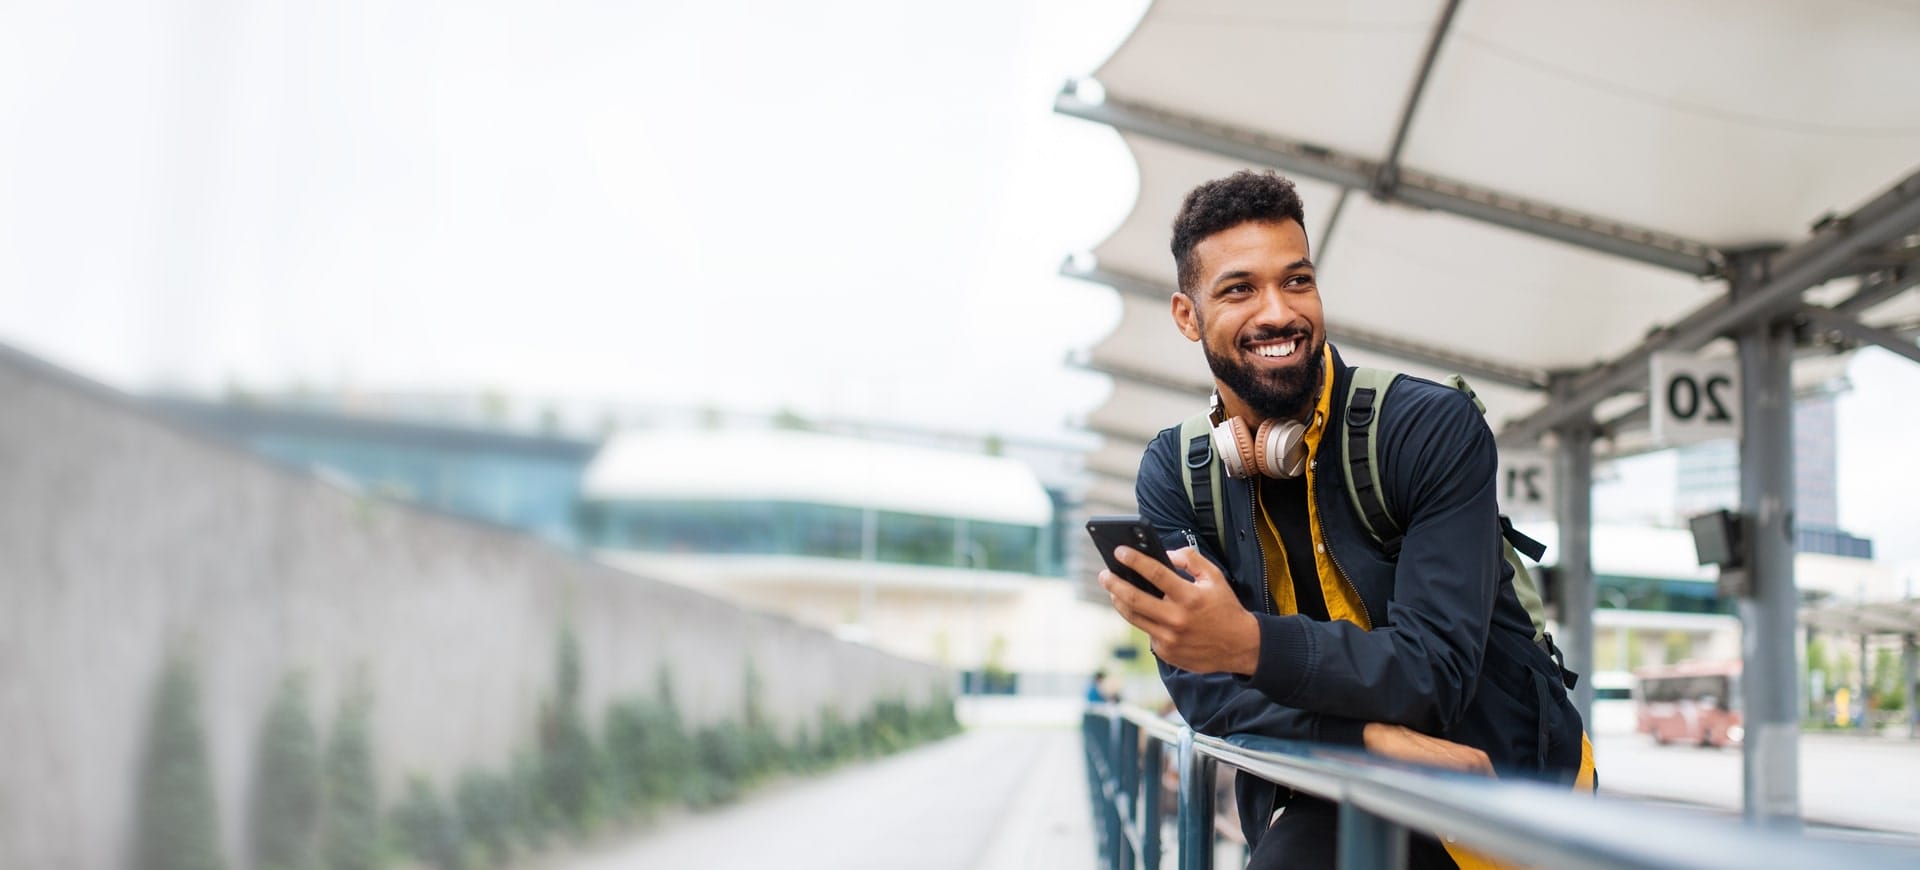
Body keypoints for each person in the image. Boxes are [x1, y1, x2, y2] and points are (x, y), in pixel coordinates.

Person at [1096, 170, 1592, 869]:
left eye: (1296, 281)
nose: (1278, 312)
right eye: (1239, 289)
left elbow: (1433, 676)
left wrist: (1243, 644)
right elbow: (1200, 686)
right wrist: (1361, 739)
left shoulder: (1430, 430)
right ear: (1188, 316)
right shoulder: (1176, 472)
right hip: (1339, 781)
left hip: (1500, 789)